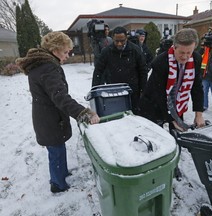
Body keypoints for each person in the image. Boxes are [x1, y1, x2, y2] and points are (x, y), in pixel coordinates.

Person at [16, 32, 100, 193]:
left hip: (47, 115)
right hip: (49, 118)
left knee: (58, 148)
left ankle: (61, 173)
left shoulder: (42, 63)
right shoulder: (48, 68)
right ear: (55, 50)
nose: (68, 55)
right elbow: (60, 97)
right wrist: (84, 112)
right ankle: (58, 184)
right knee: (56, 151)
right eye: (65, 52)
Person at [139, 28, 205, 132]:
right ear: (174, 47)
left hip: (177, 102)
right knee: (156, 137)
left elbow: (197, 87)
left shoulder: (196, 59)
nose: (185, 57)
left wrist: (199, 114)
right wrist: (171, 119)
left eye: (189, 52)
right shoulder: (160, 62)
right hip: (153, 103)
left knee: (178, 134)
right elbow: (159, 94)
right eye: (181, 52)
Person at [92, 26, 147, 114]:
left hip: (132, 92)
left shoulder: (135, 50)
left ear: (126, 38)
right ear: (113, 38)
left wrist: (143, 90)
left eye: (122, 41)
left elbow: (143, 71)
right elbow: (98, 71)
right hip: (113, 92)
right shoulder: (106, 52)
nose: (119, 44)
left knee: (134, 117)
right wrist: (95, 90)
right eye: (116, 41)